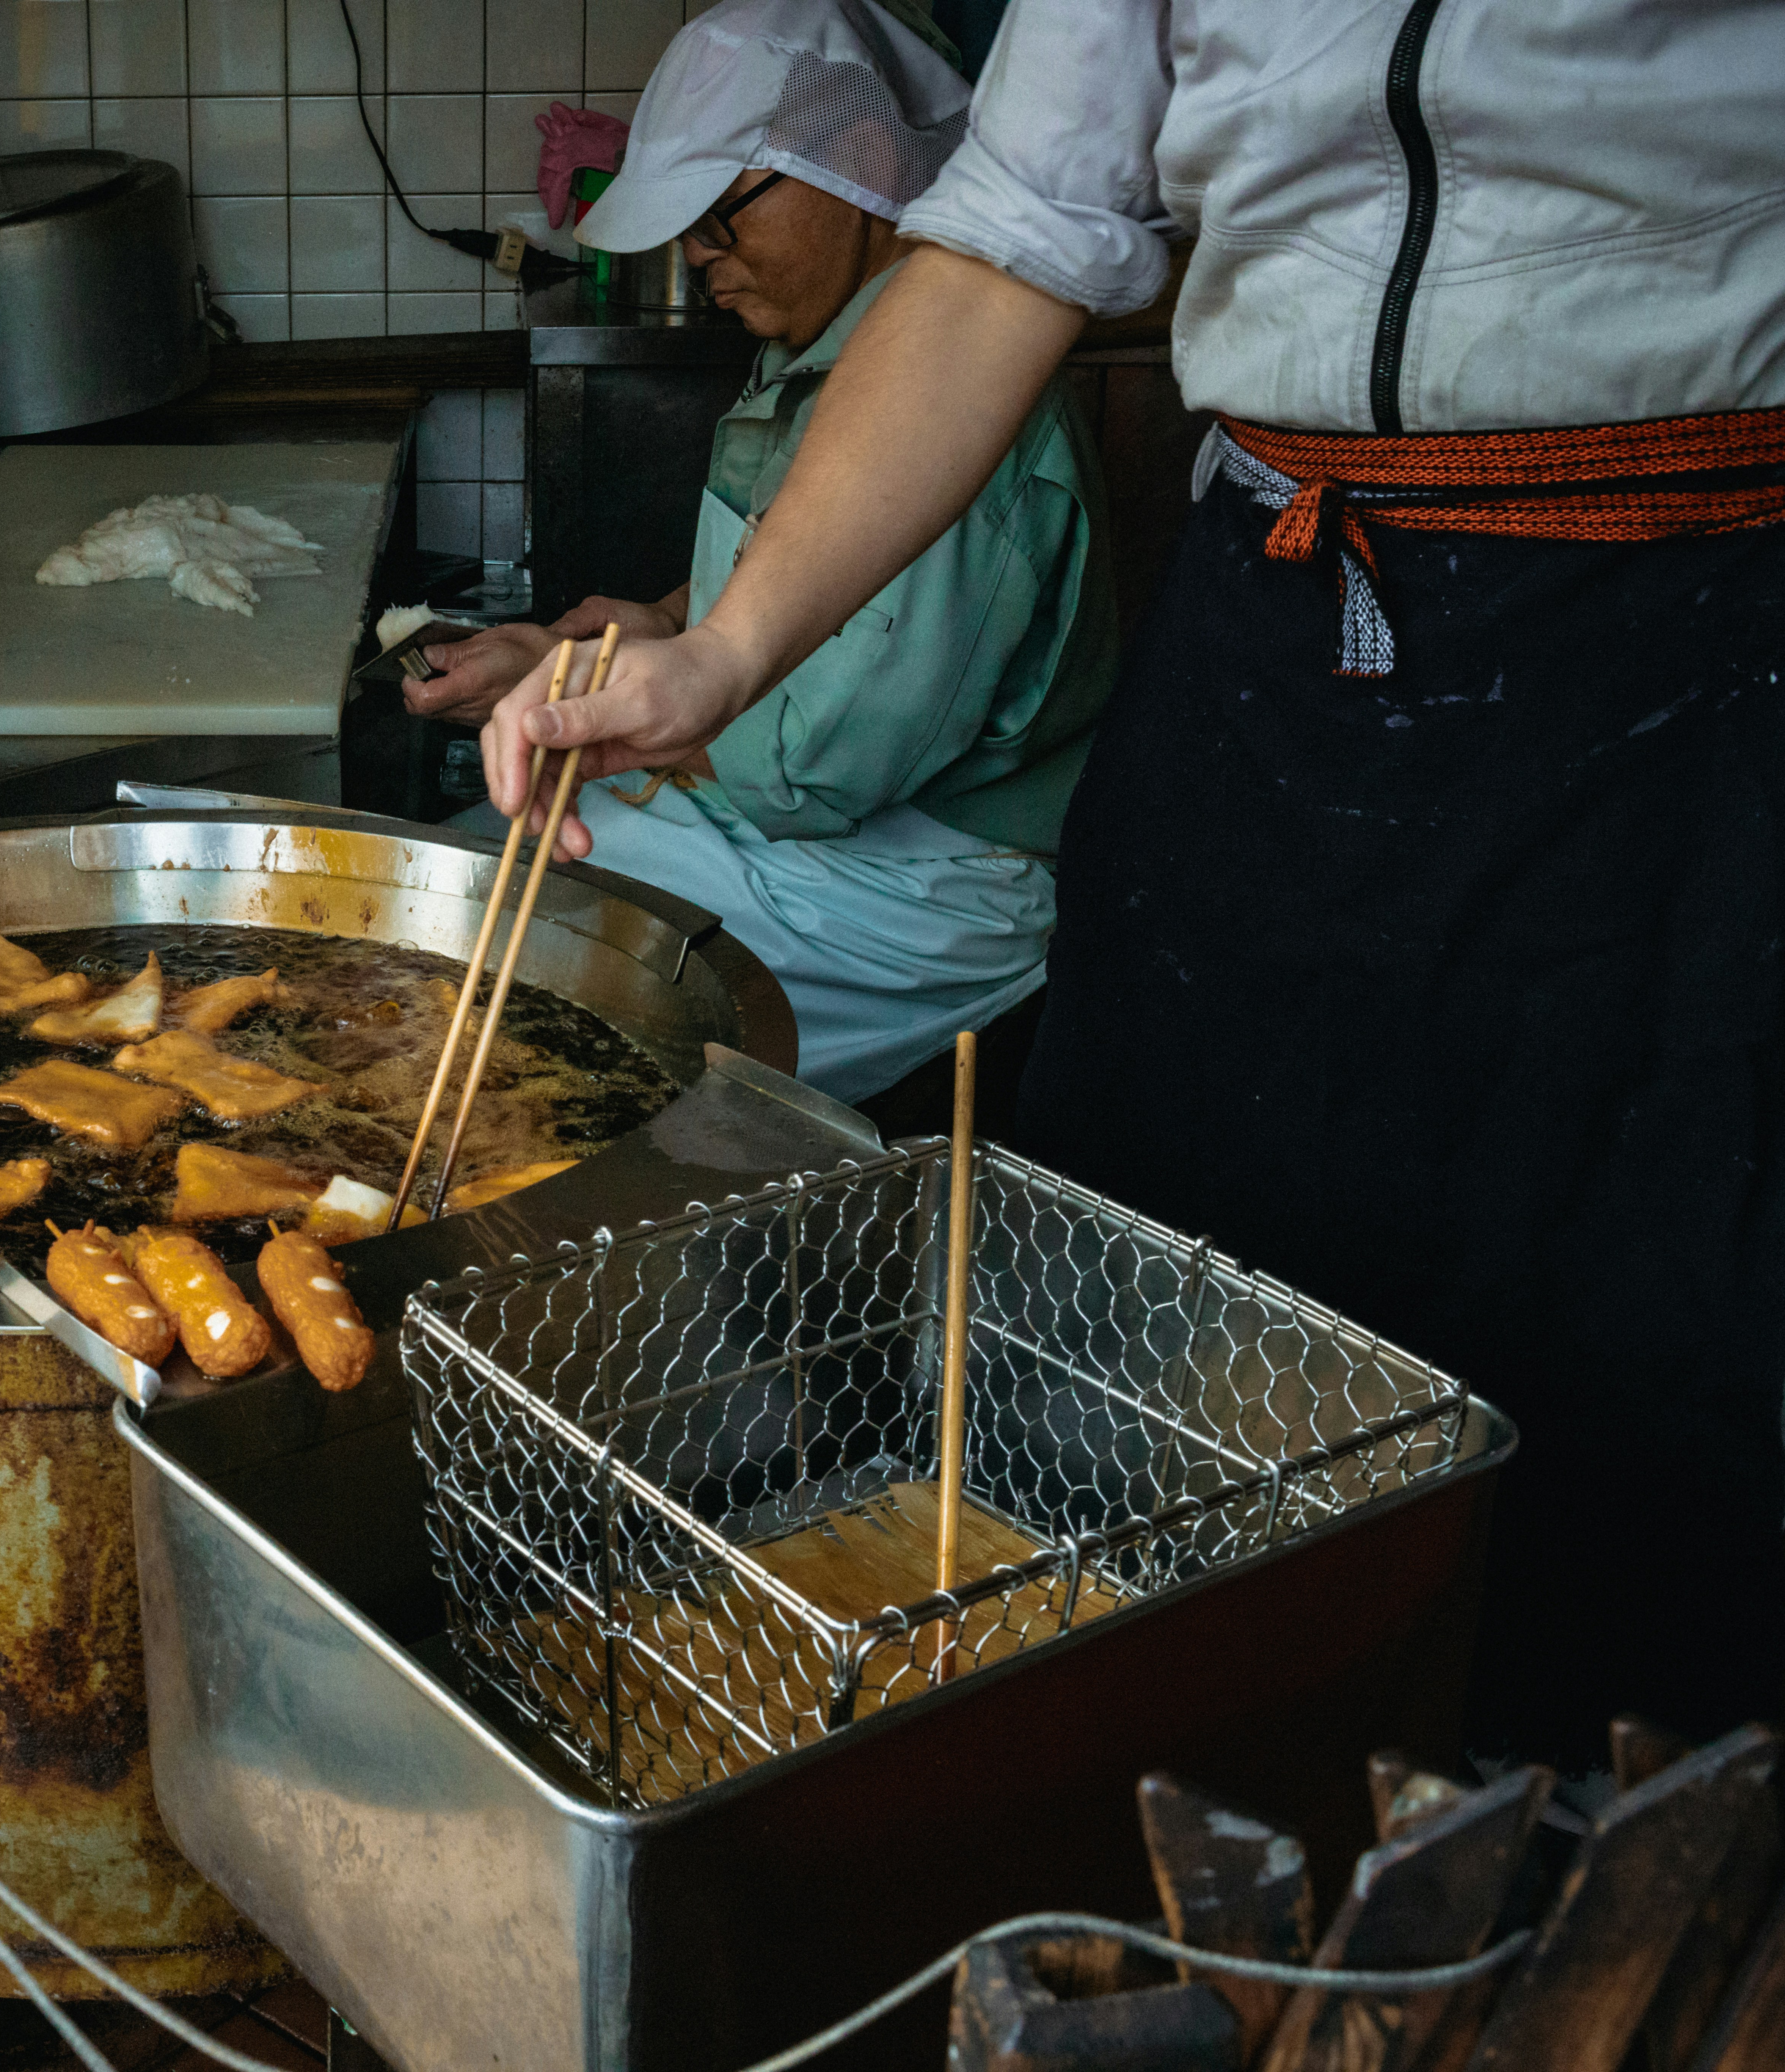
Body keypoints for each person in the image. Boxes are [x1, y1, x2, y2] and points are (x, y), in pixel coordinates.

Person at [478, 0, 1785, 1764]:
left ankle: (1561, 1856)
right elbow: (1011, 236)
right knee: (1165, 1232)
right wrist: (720, 654)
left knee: (1629, 1312)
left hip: (1688, 634)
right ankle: (1130, 1786)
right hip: (1276, 622)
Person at [406, 0, 1116, 1107]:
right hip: (781, 830)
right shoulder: (819, 351)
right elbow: (777, 589)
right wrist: (589, 643)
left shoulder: (961, 421)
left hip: (905, 892)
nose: (700, 254)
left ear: (864, 162)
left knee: (520, 1051)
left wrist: (585, 696)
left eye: (723, 217)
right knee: (434, 916)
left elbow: (806, 767)